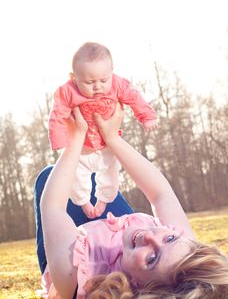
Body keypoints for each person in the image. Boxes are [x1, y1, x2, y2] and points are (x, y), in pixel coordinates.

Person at [36, 104, 228, 299]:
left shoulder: (79, 278)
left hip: (77, 256)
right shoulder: (183, 251)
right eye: (169, 238)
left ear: (141, 287)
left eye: (152, 258)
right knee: (93, 184)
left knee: (49, 177)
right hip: (118, 233)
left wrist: (76, 139)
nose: (150, 237)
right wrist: (112, 138)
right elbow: (160, 193)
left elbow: (53, 208)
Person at [48, 42, 157, 218]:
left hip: (107, 144)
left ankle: (103, 201)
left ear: (111, 72)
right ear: (74, 77)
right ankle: (83, 202)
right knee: (76, 175)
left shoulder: (118, 85)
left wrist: (147, 116)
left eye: (103, 80)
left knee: (110, 172)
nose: (97, 86)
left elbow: (134, 98)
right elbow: (57, 114)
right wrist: (59, 140)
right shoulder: (68, 92)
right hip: (82, 147)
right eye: (89, 82)